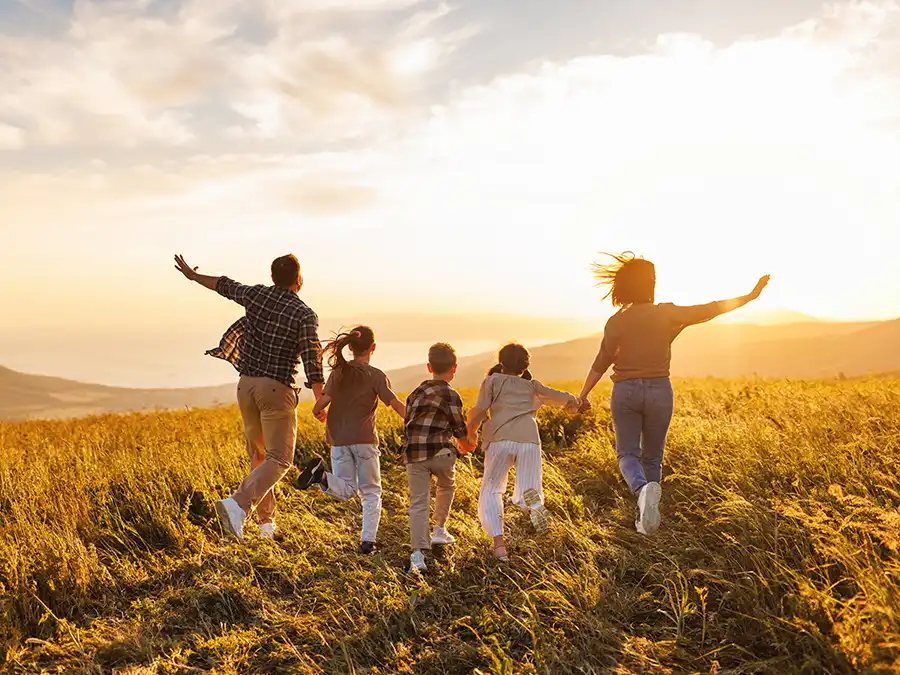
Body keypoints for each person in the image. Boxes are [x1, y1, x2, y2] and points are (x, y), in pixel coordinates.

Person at [577, 252, 769, 536]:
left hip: (626, 391)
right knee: (653, 458)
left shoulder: (615, 321)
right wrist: (750, 296)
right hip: (659, 390)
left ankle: (642, 493)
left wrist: (582, 395)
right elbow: (711, 308)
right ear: (650, 284)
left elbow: (601, 362)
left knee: (628, 454)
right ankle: (649, 519)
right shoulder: (667, 313)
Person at [173, 253, 325, 542]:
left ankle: (266, 525)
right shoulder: (304, 314)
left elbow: (224, 285)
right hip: (275, 390)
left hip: (246, 387)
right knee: (279, 459)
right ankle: (237, 504)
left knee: (259, 457)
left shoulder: (256, 295)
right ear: (299, 280)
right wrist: (320, 399)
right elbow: (311, 359)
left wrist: (193, 277)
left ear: (272, 278)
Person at [295, 326, 405, 555]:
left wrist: (318, 412)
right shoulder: (375, 375)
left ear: (351, 348)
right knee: (371, 492)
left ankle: (322, 476)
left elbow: (322, 401)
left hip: (338, 439)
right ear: (372, 348)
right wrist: (414, 420)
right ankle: (368, 543)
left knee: (346, 489)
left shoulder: (339, 373)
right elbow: (394, 403)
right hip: (364, 440)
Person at [466, 343, 580, 561]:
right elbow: (558, 396)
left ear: (501, 363)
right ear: (524, 366)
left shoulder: (491, 381)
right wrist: (577, 401)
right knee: (530, 486)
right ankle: (539, 518)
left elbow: (480, 410)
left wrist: (469, 433)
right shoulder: (532, 385)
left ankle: (499, 546)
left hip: (499, 439)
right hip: (528, 439)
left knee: (492, 488)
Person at [401, 343, 474, 573]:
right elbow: (459, 428)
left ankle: (417, 554)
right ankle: (440, 529)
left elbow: (407, 423)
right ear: (454, 368)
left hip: (414, 454)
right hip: (441, 452)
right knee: (446, 485)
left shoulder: (415, 393)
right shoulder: (451, 394)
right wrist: (466, 444)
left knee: (418, 503)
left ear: (429, 366)